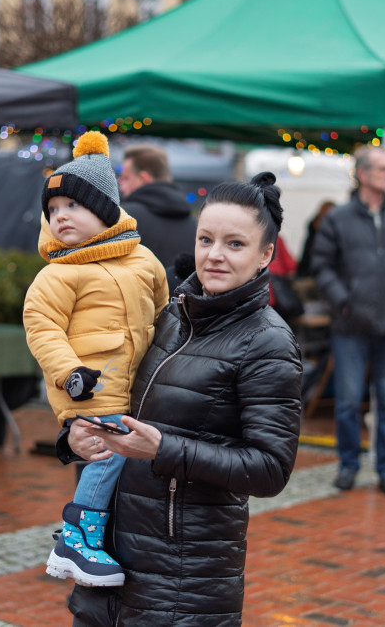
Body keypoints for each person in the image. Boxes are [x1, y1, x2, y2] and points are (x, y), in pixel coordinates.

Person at [56, 172, 302, 625]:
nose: (214, 255)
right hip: (110, 558)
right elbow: (116, 399)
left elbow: (270, 469)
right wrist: (75, 433)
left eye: (234, 244)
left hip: (184, 578)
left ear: (266, 254)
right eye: (206, 239)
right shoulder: (169, 315)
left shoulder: (268, 342)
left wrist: (164, 450)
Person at [23, 131, 169, 588]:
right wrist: (70, 375)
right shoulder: (58, 274)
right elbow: (42, 326)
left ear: (105, 209)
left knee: (126, 456)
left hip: (136, 386)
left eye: (73, 206)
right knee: (107, 451)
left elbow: (164, 313)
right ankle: (75, 537)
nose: (60, 216)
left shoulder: (144, 260)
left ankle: (98, 536)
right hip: (91, 385)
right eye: (53, 210)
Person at [311, 145, 385, 496]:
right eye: (383, 169)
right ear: (362, 174)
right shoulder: (338, 218)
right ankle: (348, 465)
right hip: (350, 324)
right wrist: (343, 301)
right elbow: (320, 265)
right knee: (348, 401)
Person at [117, 144, 197, 292]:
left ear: (143, 178)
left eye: (125, 178)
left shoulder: (124, 217)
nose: (121, 186)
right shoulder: (195, 225)